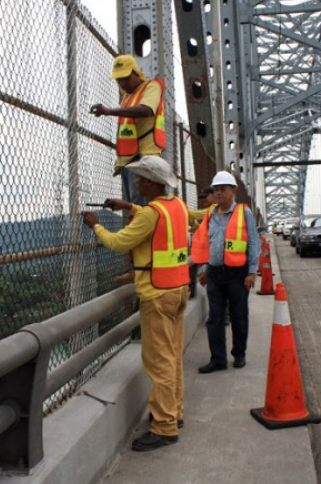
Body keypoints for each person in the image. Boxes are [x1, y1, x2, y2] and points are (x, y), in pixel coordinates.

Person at [82, 156, 189, 451]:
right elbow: (154, 215)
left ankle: (165, 427)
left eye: (142, 178)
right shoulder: (176, 206)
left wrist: (96, 226)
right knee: (173, 356)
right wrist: (129, 207)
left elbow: (118, 243)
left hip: (156, 295)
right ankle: (174, 412)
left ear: (153, 182)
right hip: (179, 289)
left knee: (159, 362)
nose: (138, 183)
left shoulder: (151, 214)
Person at [191, 171, 260, 373]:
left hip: (238, 274)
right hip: (214, 273)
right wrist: (204, 269)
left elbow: (254, 242)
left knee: (239, 316)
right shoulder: (210, 214)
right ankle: (218, 359)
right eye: (216, 189)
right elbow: (207, 244)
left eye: (223, 189)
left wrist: (252, 272)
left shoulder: (243, 212)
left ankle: (239, 354)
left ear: (233, 191)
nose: (219, 193)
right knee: (215, 318)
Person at [90, 54, 166, 205]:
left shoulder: (151, 86)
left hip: (144, 157)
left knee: (142, 207)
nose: (123, 83)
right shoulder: (127, 98)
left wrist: (109, 111)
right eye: (119, 79)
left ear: (136, 72)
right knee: (135, 207)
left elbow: (146, 110)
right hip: (128, 160)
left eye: (126, 77)